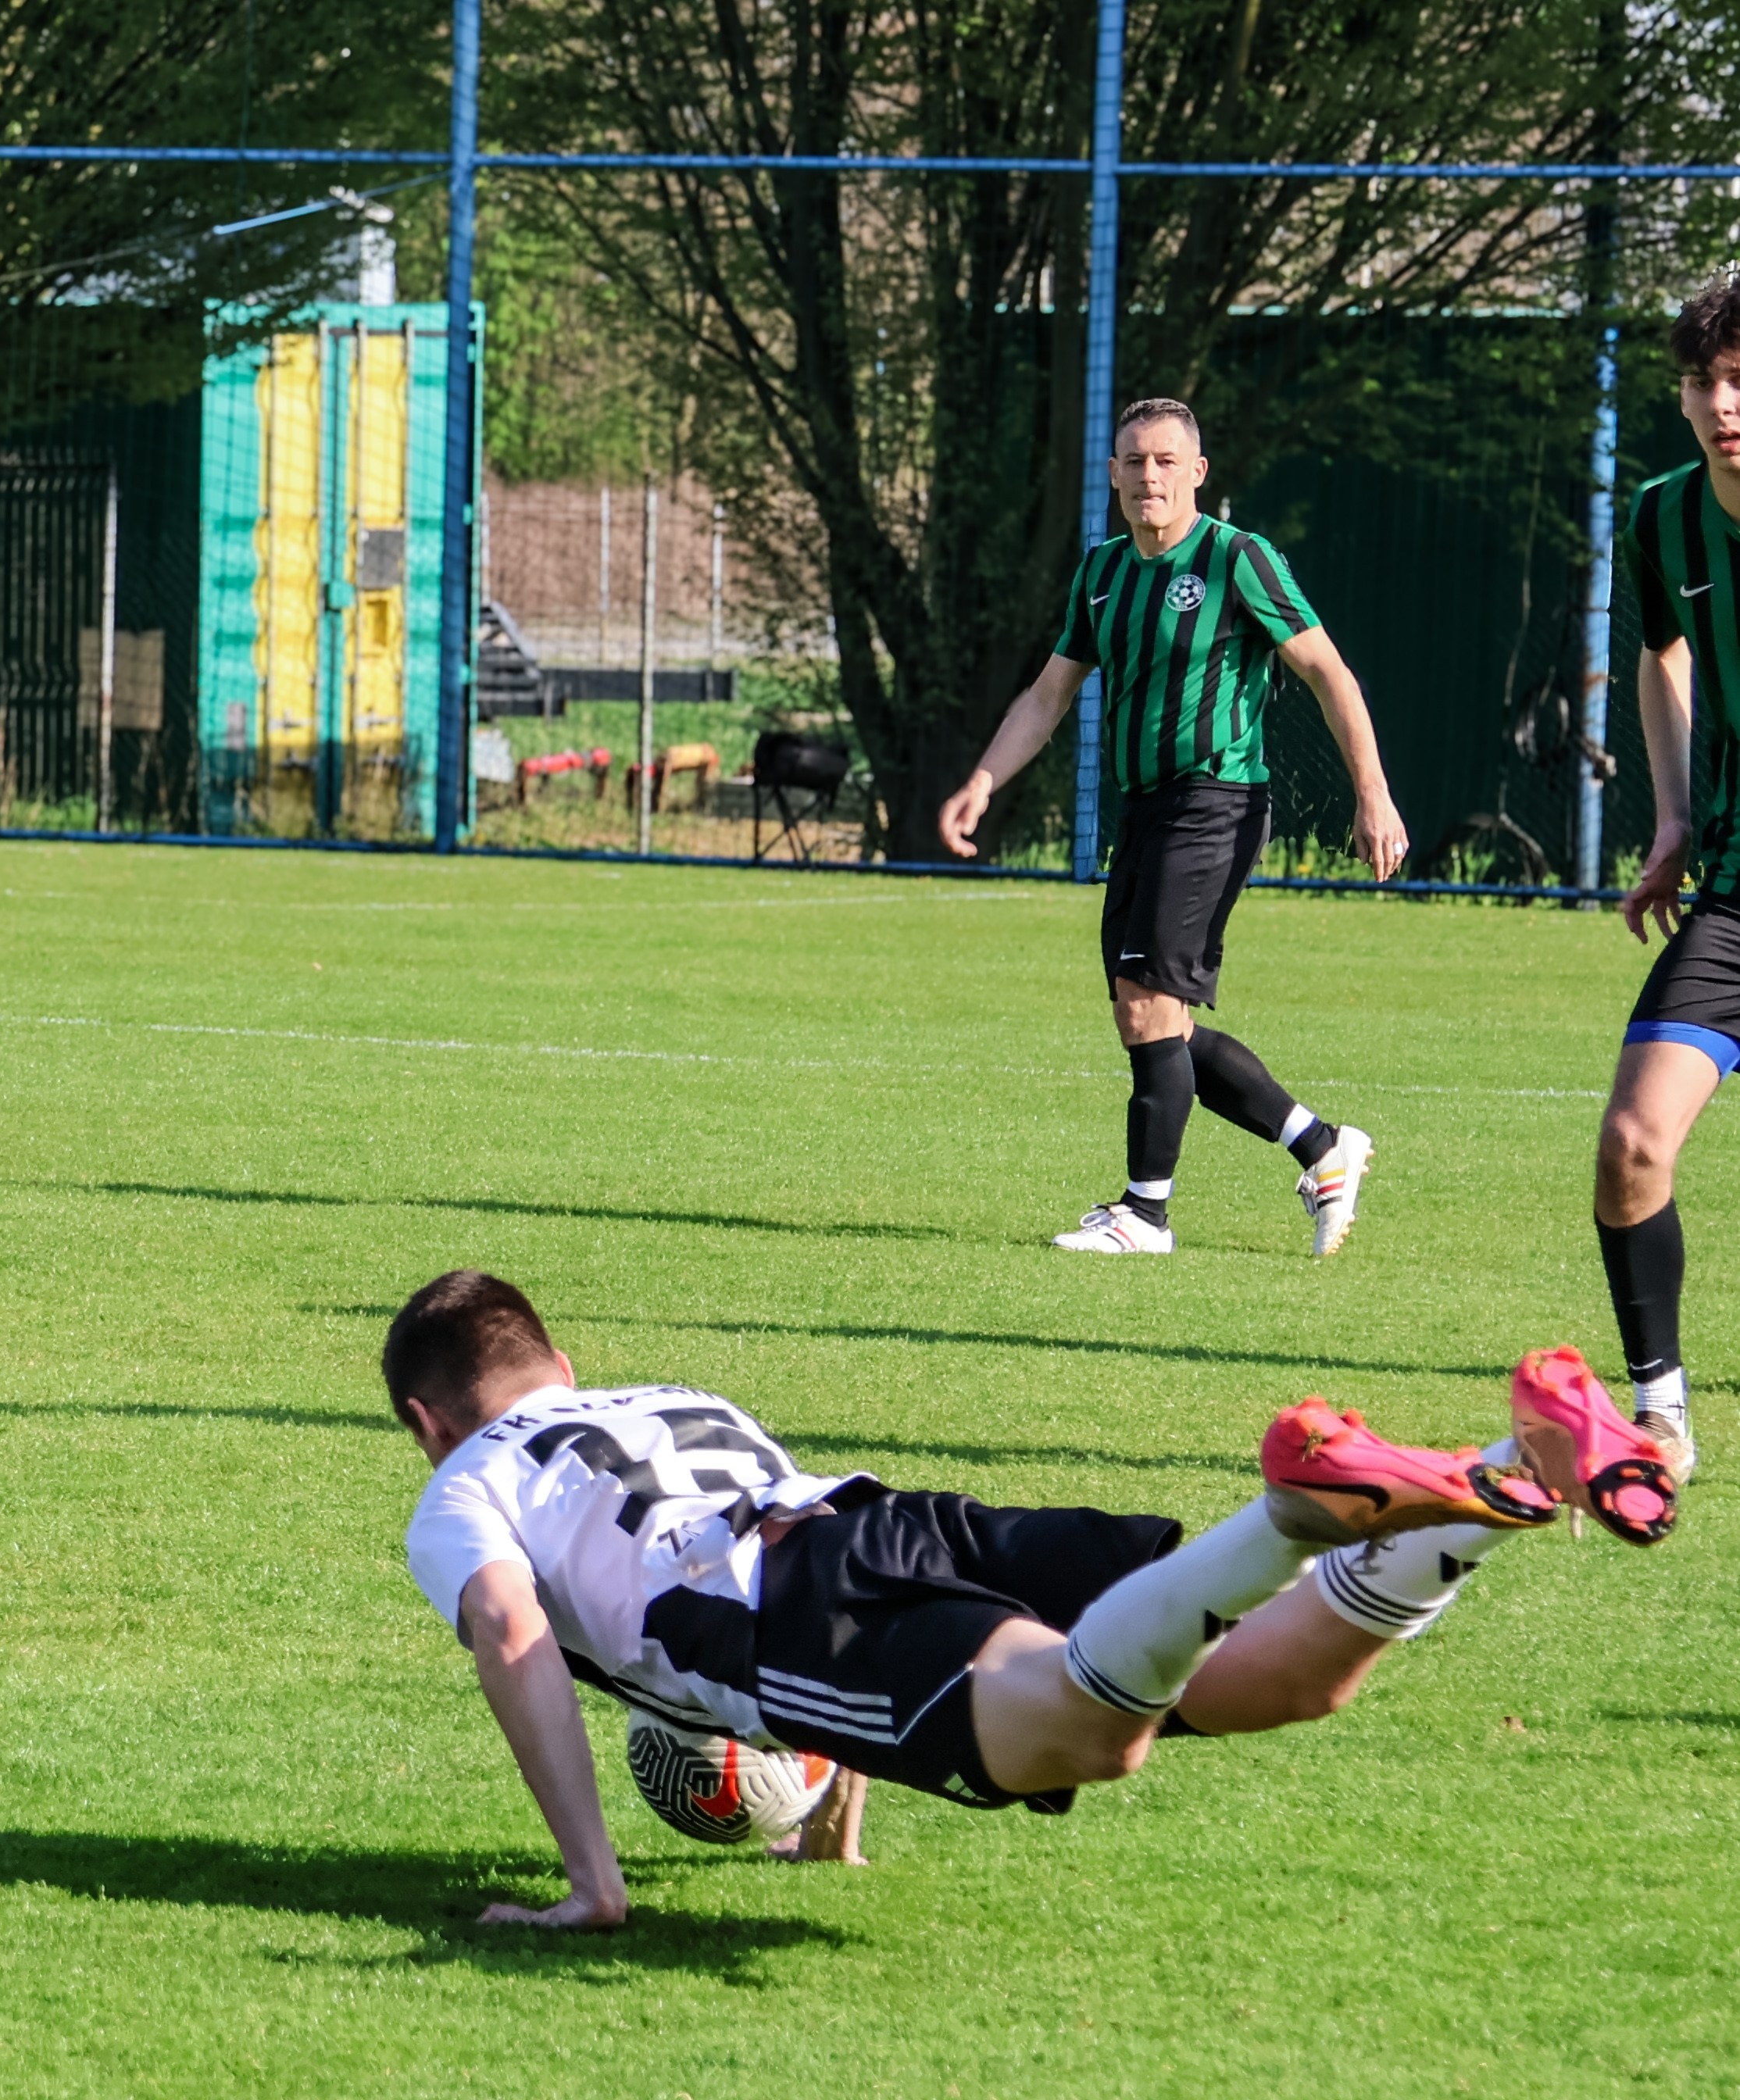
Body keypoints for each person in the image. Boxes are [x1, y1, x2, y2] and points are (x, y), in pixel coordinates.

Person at [383, 1270, 1668, 1927]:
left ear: (426, 1421)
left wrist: (594, 1884)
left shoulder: (461, 1487)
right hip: (900, 1523)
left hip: (794, 1614)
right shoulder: (673, 1396)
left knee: (1094, 1734)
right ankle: (1507, 1470)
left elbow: (512, 1628)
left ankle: (1293, 1511)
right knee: (1284, 1680)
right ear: (562, 1362)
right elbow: (806, 1536)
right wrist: (831, 1821)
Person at [937, 398, 1410, 1258]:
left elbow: (1328, 673)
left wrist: (1371, 794)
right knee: (1152, 1020)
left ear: (1197, 473)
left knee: (1150, 1002)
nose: (1147, 476)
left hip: (1216, 801)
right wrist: (982, 781)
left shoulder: (1237, 558)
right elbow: (1048, 695)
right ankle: (1321, 1147)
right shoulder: (1102, 572)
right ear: (1112, 473)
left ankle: (1144, 1215)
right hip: (1145, 811)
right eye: (1132, 460)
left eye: (1164, 461)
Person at [1587, 272, 1740, 1490]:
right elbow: (1662, 653)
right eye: (1702, 381)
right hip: (1735, 890)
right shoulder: (1662, 518)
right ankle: (1661, 1416)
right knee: (1633, 1143)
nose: (1723, 404)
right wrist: (1677, 814)